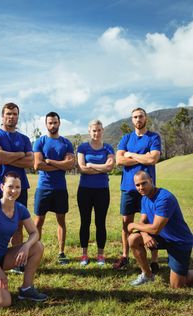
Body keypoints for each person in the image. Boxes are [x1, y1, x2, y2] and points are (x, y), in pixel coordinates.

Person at [0, 172, 48, 307]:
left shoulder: (20, 209)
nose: (14, 191)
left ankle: (26, 289)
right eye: (10, 186)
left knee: (37, 246)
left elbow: (34, 233)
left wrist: (26, 246)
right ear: (2, 187)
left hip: (2, 257)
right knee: (3, 301)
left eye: (17, 187)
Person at [0, 102, 33, 272]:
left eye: (14, 114)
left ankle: (17, 263)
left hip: (21, 188)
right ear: (2, 116)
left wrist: (7, 155)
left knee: (18, 224)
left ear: (17, 116)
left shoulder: (24, 139)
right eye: (8, 114)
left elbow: (30, 161)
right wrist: (20, 155)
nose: (11, 116)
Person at [113, 107, 161, 271]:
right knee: (126, 222)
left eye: (140, 116)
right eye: (135, 117)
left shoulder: (153, 137)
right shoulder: (126, 138)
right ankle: (125, 256)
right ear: (132, 120)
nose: (138, 119)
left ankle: (154, 260)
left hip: (148, 188)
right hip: (128, 187)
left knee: (150, 221)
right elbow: (119, 160)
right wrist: (143, 157)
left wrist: (130, 155)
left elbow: (153, 159)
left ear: (146, 118)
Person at [128, 170, 193, 288]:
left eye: (144, 183)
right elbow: (143, 222)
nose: (141, 187)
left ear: (151, 181)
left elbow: (155, 229)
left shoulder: (164, 198)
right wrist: (145, 235)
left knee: (177, 285)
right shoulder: (144, 198)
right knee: (133, 239)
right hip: (161, 237)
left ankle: (184, 273)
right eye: (137, 185)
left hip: (178, 241)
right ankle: (147, 275)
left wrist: (132, 225)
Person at [33, 111, 74, 264]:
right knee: (38, 222)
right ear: (46, 124)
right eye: (50, 123)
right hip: (43, 188)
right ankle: (34, 251)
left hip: (60, 189)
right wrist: (61, 165)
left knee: (61, 221)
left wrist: (50, 162)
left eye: (55, 122)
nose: (53, 125)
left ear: (59, 123)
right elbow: (37, 165)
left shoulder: (66, 143)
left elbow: (70, 164)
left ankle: (61, 253)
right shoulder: (40, 142)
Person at [77, 120, 115, 266]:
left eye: (99, 130)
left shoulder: (108, 148)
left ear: (102, 131)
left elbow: (109, 168)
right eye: (94, 130)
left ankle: (100, 255)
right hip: (85, 190)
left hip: (102, 191)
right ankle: (84, 255)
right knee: (85, 222)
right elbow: (82, 168)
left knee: (101, 223)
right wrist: (102, 167)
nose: (96, 133)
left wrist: (92, 165)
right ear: (89, 131)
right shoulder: (82, 147)